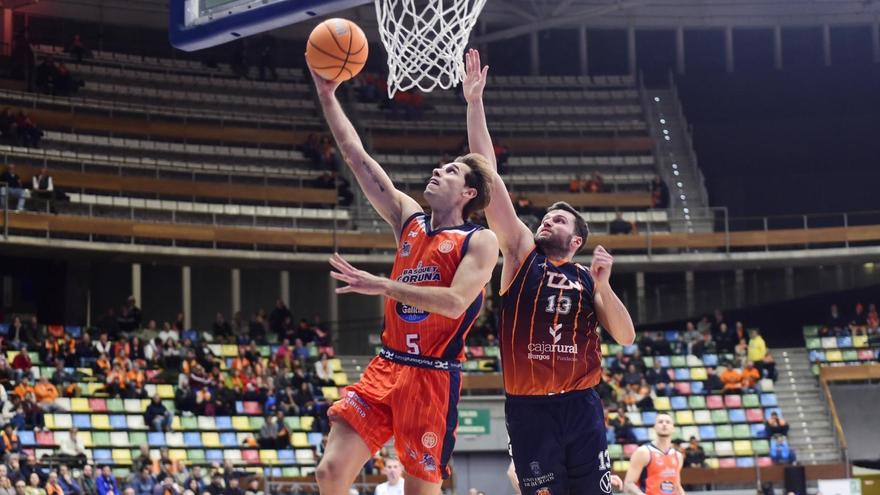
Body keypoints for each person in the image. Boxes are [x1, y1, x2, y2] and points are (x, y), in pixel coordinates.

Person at [310, 64, 498, 495]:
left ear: (468, 193)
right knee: (330, 471)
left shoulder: (480, 240)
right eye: (440, 167)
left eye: (451, 171)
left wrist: (385, 285)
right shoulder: (408, 219)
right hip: (387, 364)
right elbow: (357, 158)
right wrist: (327, 96)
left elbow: (455, 302)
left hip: (433, 377)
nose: (438, 170)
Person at [463, 49, 635, 495]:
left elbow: (625, 336)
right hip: (530, 409)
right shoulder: (521, 253)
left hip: (581, 406)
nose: (546, 222)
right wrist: (475, 103)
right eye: (546, 217)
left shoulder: (586, 280)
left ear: (576, 240)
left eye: (558, 220)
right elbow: (488, 179)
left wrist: (604, 287)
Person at [624, 414, 685, 495]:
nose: (664, 424)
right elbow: (628, 484)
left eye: (668, 422)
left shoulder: (678, 456)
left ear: (673, 428)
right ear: (654, 427)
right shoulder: (643, 452)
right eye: (660, 422)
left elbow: (677, 486)